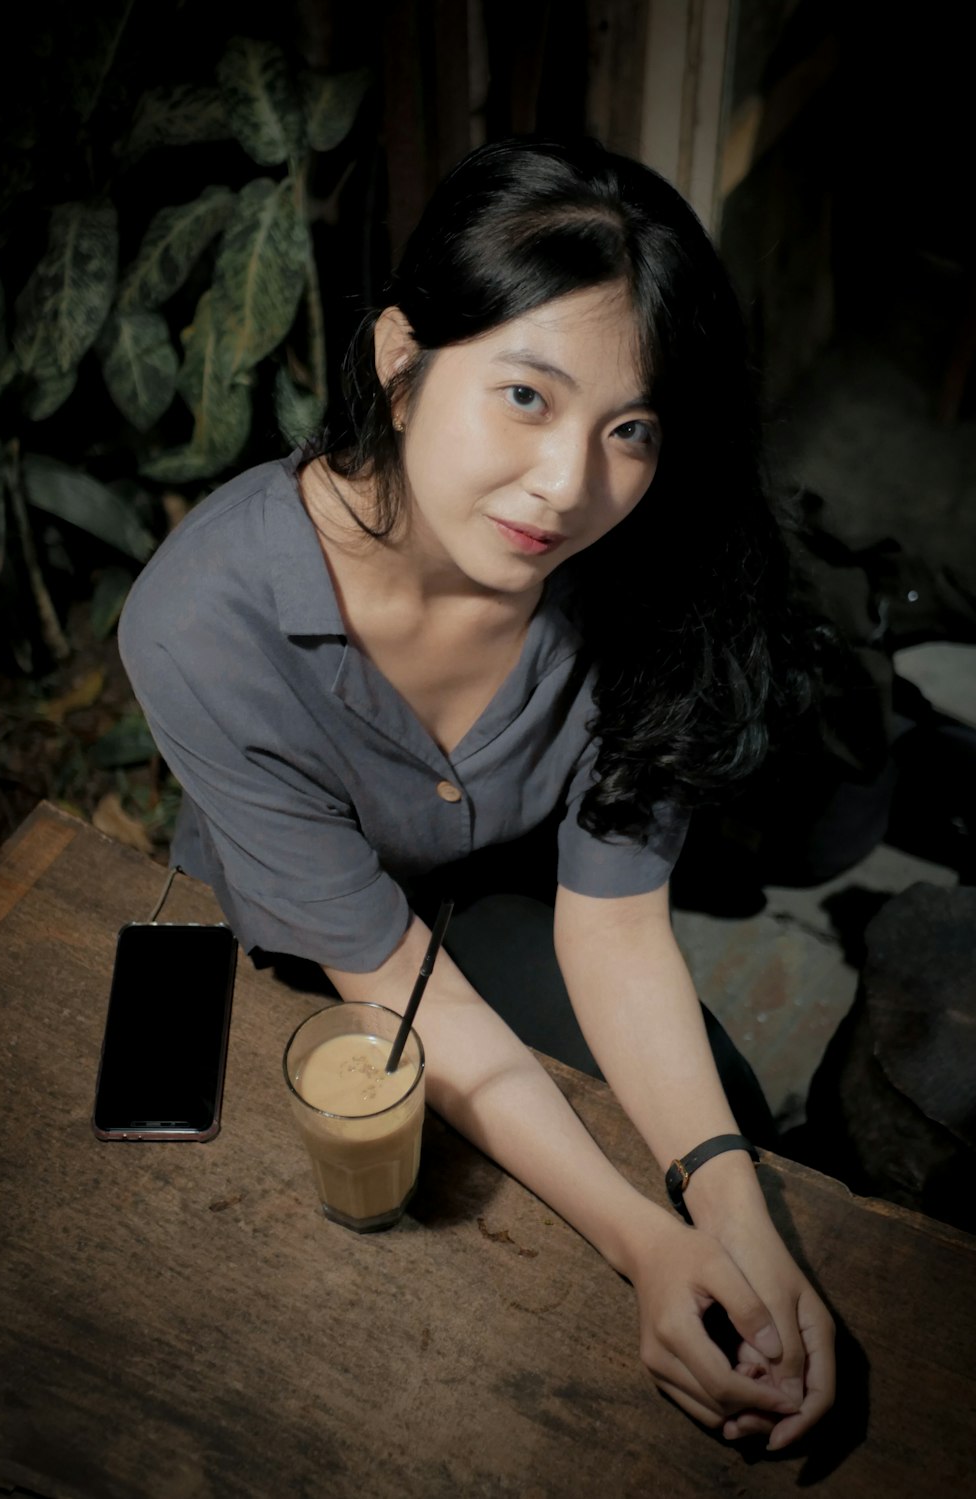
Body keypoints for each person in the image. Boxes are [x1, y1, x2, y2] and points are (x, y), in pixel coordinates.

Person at [119, 136, 836, 1448]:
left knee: (719, 1105)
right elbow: (387, 977)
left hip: (513, 891)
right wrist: (643, 1244)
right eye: (526, 395)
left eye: (630, 429)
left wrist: (731, 1214)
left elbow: (615, 922)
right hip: (324, 953)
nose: (571, 485)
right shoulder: (204, 622)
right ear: (402, 362)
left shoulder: (643, 576)